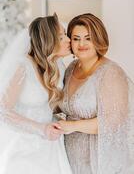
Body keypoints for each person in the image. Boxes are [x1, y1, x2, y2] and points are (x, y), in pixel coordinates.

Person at [58, 13, 134, 174]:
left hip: (100, 158)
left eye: (88, 38)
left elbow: (114, 122)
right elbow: (63, 105)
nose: (81, 44)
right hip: (71, 157)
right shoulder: (71, 68)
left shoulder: (111, 73)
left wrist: (72, 126)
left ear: (98, 39)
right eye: (76, 38)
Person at [0, 14, 72, 174]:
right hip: (22, 144)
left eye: (65, 34)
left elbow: (53, 106)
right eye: (61, 37)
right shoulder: (22, 67)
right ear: (48, 41)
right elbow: (3, 111)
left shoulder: (58, 65)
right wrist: (41, 128)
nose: (69, 40)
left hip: (50, 144)